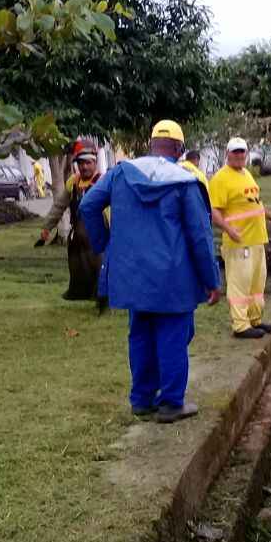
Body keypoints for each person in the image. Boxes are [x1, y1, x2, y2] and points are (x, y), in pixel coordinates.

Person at [80, 119, 222, 423]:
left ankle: (142, 400)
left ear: (151, 144)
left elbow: (89, 205)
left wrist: (105, 243)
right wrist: (211, 280)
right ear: (179, 149)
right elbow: (199, 235)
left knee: (141, 333)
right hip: (173, 277)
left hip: (132, 275)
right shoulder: (184, 181)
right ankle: (171, 402)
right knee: (174, 334)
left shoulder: (120, 173)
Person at [208, 136, 271, 340]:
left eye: (242, 151)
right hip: (238, 241)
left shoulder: (247, 174)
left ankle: (255, 319)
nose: (240, 155)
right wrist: (229, 230)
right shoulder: (220, 179)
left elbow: (255, 204)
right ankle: (241, 325)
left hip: (257, 238)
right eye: (235, 152)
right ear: (228, 154)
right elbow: (214, 211)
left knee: (256, 284)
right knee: (239, 284)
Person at [37, 142, 103, 300]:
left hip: (98, 236)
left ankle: (102, 295)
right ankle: (80, 294)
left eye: (88, 163)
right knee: (78, 267)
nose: (85, 167)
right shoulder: (73, 183)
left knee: (99, 267)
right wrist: (47, 227)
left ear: (95, 163)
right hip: (77, 238)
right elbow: (59, 206)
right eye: (81, 163)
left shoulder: (103, 182)